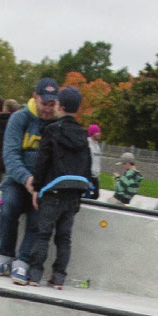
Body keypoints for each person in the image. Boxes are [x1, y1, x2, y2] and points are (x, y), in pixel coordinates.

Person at [12, 86, 96, 289]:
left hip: (54, 190)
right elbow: (87, 164)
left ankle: (35, 275)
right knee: (64, 237)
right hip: (74, 192)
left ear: (59, 105)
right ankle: (58, 277)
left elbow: (43, 161)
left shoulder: (52, 130)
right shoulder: (82, 135)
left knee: (43, 234)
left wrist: (37, 188)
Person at [0, 78, 58, 276]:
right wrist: (28, 180)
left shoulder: (56, 124)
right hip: (17, 180)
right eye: (44, 103)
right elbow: (10, 156)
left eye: (51, 105)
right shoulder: (19, 118)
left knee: (38, 219)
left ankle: (23, 260)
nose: (47, 109)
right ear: (35, 97)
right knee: (8, 207)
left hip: (44, 185)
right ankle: (5, 256)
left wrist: (41, 185)